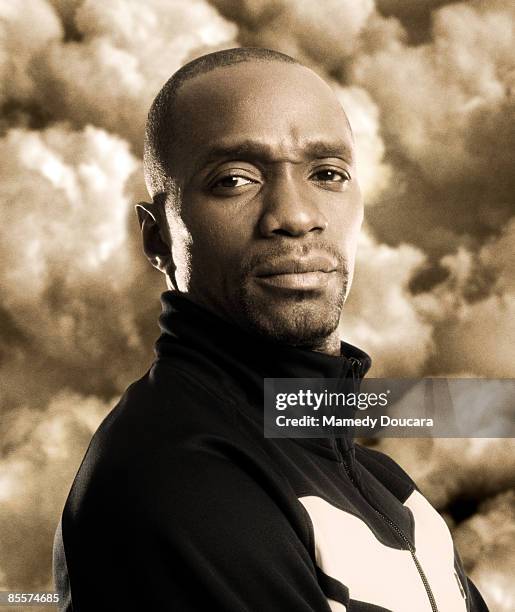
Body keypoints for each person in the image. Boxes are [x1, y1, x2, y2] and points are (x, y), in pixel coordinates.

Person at [53, 47, 488, 611]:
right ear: (158, 236)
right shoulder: (177, 478)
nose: (295, 215)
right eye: (235, 180)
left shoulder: (381, 481)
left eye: (327, 174)